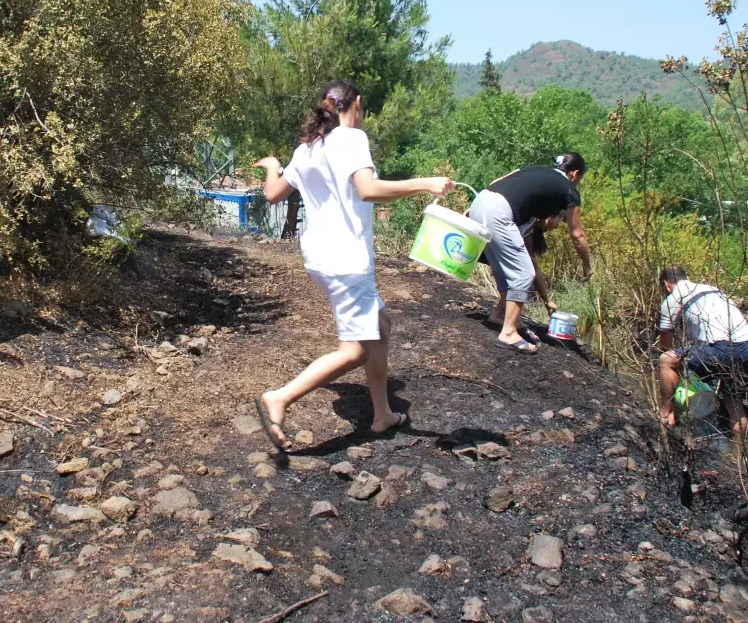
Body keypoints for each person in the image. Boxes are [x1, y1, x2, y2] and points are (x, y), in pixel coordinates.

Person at [252, 80, 455, 450]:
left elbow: (272, 194)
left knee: (380, 324)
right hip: (346, 260)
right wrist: (426, 183)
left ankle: (382, 415)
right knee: (356, 350)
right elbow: (368, 189)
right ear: (357, 103)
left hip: (320, 256)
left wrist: (273, 166)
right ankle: (280, 397)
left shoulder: (308, 147)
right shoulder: (351, 138)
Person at [469, 154, 592, 354]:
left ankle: (501, 315)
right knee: (524, 274)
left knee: (506, 268)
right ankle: (508, 333)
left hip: (480, 201)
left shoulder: (531, 169)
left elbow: (495, 182)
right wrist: (587, 265)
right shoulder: (570, 191)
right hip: (499, 212)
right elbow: (577, 234)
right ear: (575, 174)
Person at [656, 266, 748, 443]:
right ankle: (738, 459)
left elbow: (665, 343)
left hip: (725, 348)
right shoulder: (712, 289)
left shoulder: (672, 299)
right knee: (733, 400)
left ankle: (667, 416)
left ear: (667, 285)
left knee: (667, 360)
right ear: (686, 277)